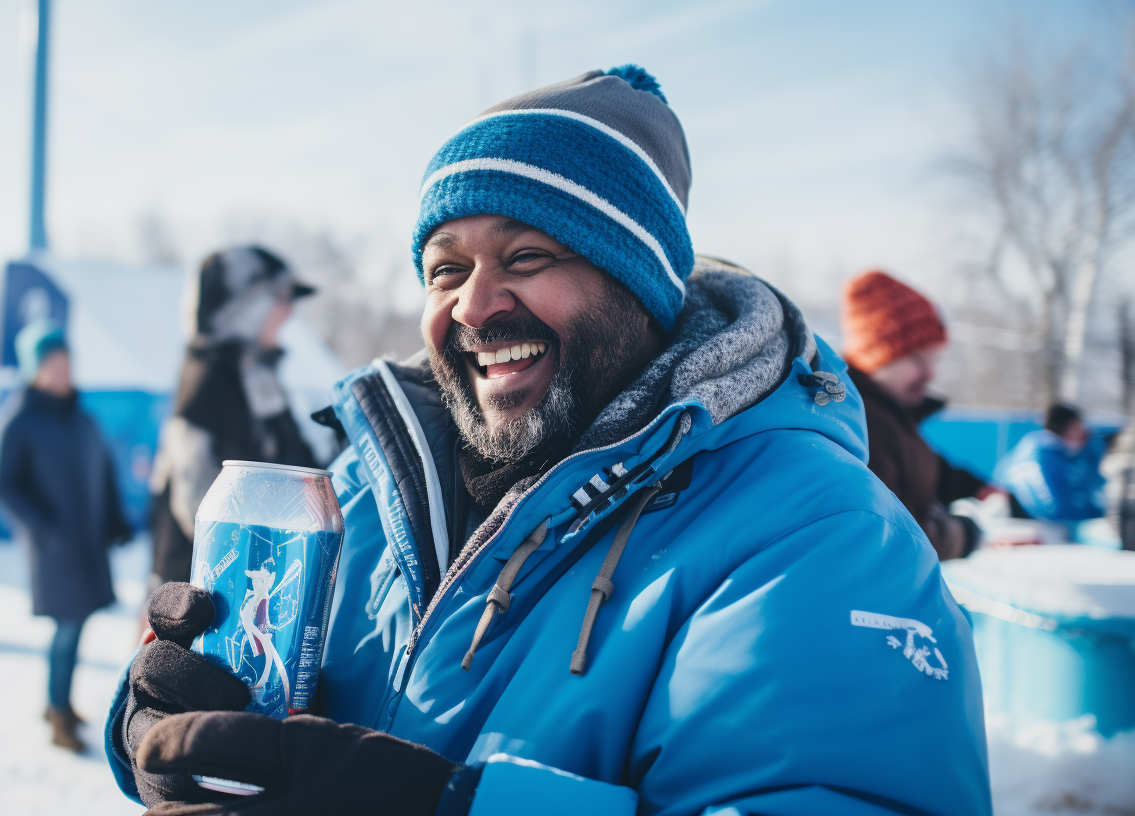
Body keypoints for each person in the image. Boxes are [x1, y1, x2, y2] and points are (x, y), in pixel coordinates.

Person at [106, 66, 991, 816]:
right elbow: (273, 743)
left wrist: (454, 806)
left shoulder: (818, 534)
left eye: (527, 256)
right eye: (446, 267)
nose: (476, 304)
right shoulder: (374, 490)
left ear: (639, 287)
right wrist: (167, 722)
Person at [0, 320, 134, 753]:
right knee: (66, 629)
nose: (60, 372)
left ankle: (59, 702)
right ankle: (58, 712)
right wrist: (44, 528)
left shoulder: (82, 418)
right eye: (50, 365)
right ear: (33, 370)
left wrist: (115, 519)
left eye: (65, 363)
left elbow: (103, 474)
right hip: (56, 551)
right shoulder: (18, 420)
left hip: (88, 545)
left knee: (79, 624)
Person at [146, 246, 318, 589]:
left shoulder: (258, 378)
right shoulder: (209, 378)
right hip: (201, 588)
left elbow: (299, 466)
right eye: (280, 298)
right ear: (243, 308)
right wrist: (252, 561)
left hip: (249, 578)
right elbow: (195, 499)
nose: (289, 313)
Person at [841, 269, 991, 560]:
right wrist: (962, 534)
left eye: (934, 359)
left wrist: (979, 489)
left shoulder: (893, 415)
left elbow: (926, 469)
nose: (930, 373)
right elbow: (887, 537)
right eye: (917, 358)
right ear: (877, 355)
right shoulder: (863, 423)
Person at [995, 404, 1107, 532]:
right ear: (1066, 428)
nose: (1084, 432)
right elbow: (1052, 509)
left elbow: (1093, 487)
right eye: (1078, 426)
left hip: (1047, 526)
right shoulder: (1038, 455)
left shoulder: (1070, 452)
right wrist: (1098, 514)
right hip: (1021, 527)